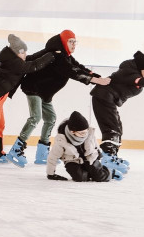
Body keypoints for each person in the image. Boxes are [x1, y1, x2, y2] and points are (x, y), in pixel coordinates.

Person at [8, 30, 110, 167]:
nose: (74, 44)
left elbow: (78, 67)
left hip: (45, 93)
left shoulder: (65, 55)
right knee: (35, 118)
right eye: (70, 41)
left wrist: (96, 77)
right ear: (63, 42)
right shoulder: (57, 56)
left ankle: (42, 153)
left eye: (75, 41)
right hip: (34, 88)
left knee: (50, 118)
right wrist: (94, 80)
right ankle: (16, 149)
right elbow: (72, 72)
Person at [91, 50, 144, 177]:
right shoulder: (128, 73)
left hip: (107, 99)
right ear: (140, 69)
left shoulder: (132, 74)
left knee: (118, 128)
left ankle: (112, 156)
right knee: (112, 129)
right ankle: (108, 158)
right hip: (103, 98)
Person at [0, 34, 53, 166]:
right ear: (17, 52)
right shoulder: (14, 63)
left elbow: (31, 59)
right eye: (23, 52)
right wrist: (50, 56)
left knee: (0, 124)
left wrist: (46, 51)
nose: (25, 54)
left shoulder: (15, 60)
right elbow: (32, 66)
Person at [45, 111, 112, 182]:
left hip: (89, 157)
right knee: (81, 177)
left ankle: (110, 172)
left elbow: (94, 143)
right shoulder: (61, 140)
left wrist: (98, 153)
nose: (85, 134)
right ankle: (88, 173)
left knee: (100, 177)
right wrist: (50, 174)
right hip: (72, 161)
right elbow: (53, 157)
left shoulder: (89, 133)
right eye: (82, 133)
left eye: (86, 131)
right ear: (72, 132)